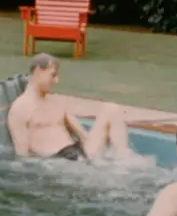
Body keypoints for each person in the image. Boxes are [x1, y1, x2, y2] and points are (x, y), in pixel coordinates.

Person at [7, 52, 135, 161]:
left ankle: (123, 162)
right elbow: (22, 156)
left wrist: (98, 149)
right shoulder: (20, 109)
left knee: (110, 108)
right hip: (57, 161)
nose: (57, 80)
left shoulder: (57, 102)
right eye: (53, 75)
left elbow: (83, 136)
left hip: (78, 153)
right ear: (38, 71)